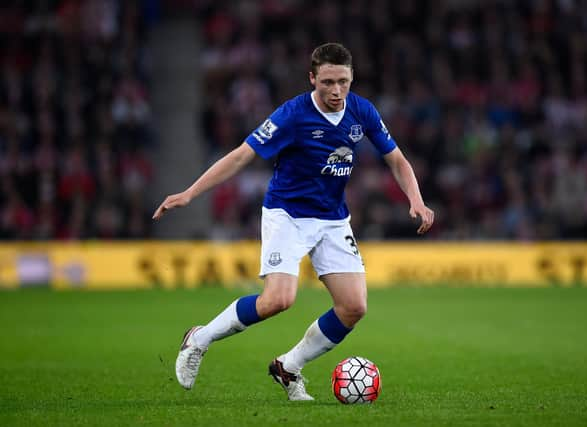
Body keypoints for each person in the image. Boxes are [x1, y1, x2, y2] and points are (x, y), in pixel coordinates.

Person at [152, 42, 435, 401]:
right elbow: (241, 156)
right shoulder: (292, 115)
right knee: (278, 300)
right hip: (287, 214)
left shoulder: (362, 111)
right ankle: (200, 338)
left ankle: (288, 367)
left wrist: (417, 199)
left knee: (354, 307)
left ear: (352, 79)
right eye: (328, 82)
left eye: (343, 82)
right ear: (312, 78)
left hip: (332, 218)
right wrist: (190, 193)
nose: (336, 91)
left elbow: (397, 160)